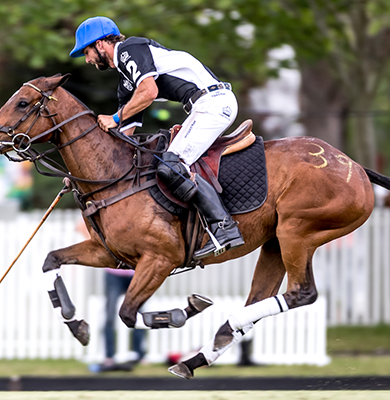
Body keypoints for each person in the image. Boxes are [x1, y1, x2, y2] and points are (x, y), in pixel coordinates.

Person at [69, 16, 243, 259]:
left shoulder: (129, 49)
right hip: (203, 106)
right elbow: (124, 136)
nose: (87, 60)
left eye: (86, 51)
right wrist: (83, 171)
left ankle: (225, 227)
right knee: (165, 164)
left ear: (100, 44)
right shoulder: (127, 81)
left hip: (213, 103)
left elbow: (148, 92)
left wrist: (115, 117)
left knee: (172, 165)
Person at [99, 269, 148, 372]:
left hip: (135, 273)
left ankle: (139, 354)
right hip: (113, 273)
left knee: (138, 315)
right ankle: (109, 356)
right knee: (110, 316)